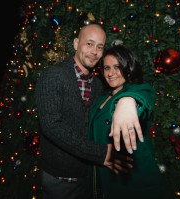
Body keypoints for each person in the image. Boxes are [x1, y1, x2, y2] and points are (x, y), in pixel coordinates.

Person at [35, 24, 144, 199]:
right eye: (89, 44)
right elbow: (51, 126)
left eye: (100, 47)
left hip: (90, 176)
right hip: (61, 178)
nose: (94, 51)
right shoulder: (53, 76)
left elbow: (133, 87)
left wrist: (128, 100)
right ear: (76, 44)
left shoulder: (99, 84)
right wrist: (100, 153)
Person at [88, 44, 171, 199]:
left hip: (135, 183)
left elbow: (143, 100)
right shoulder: (101, 98)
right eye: (107, 68)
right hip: (104, 180)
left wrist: (127, 102)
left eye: (117, 67)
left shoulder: (139, 90)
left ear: (128, 67)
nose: (111, 73)